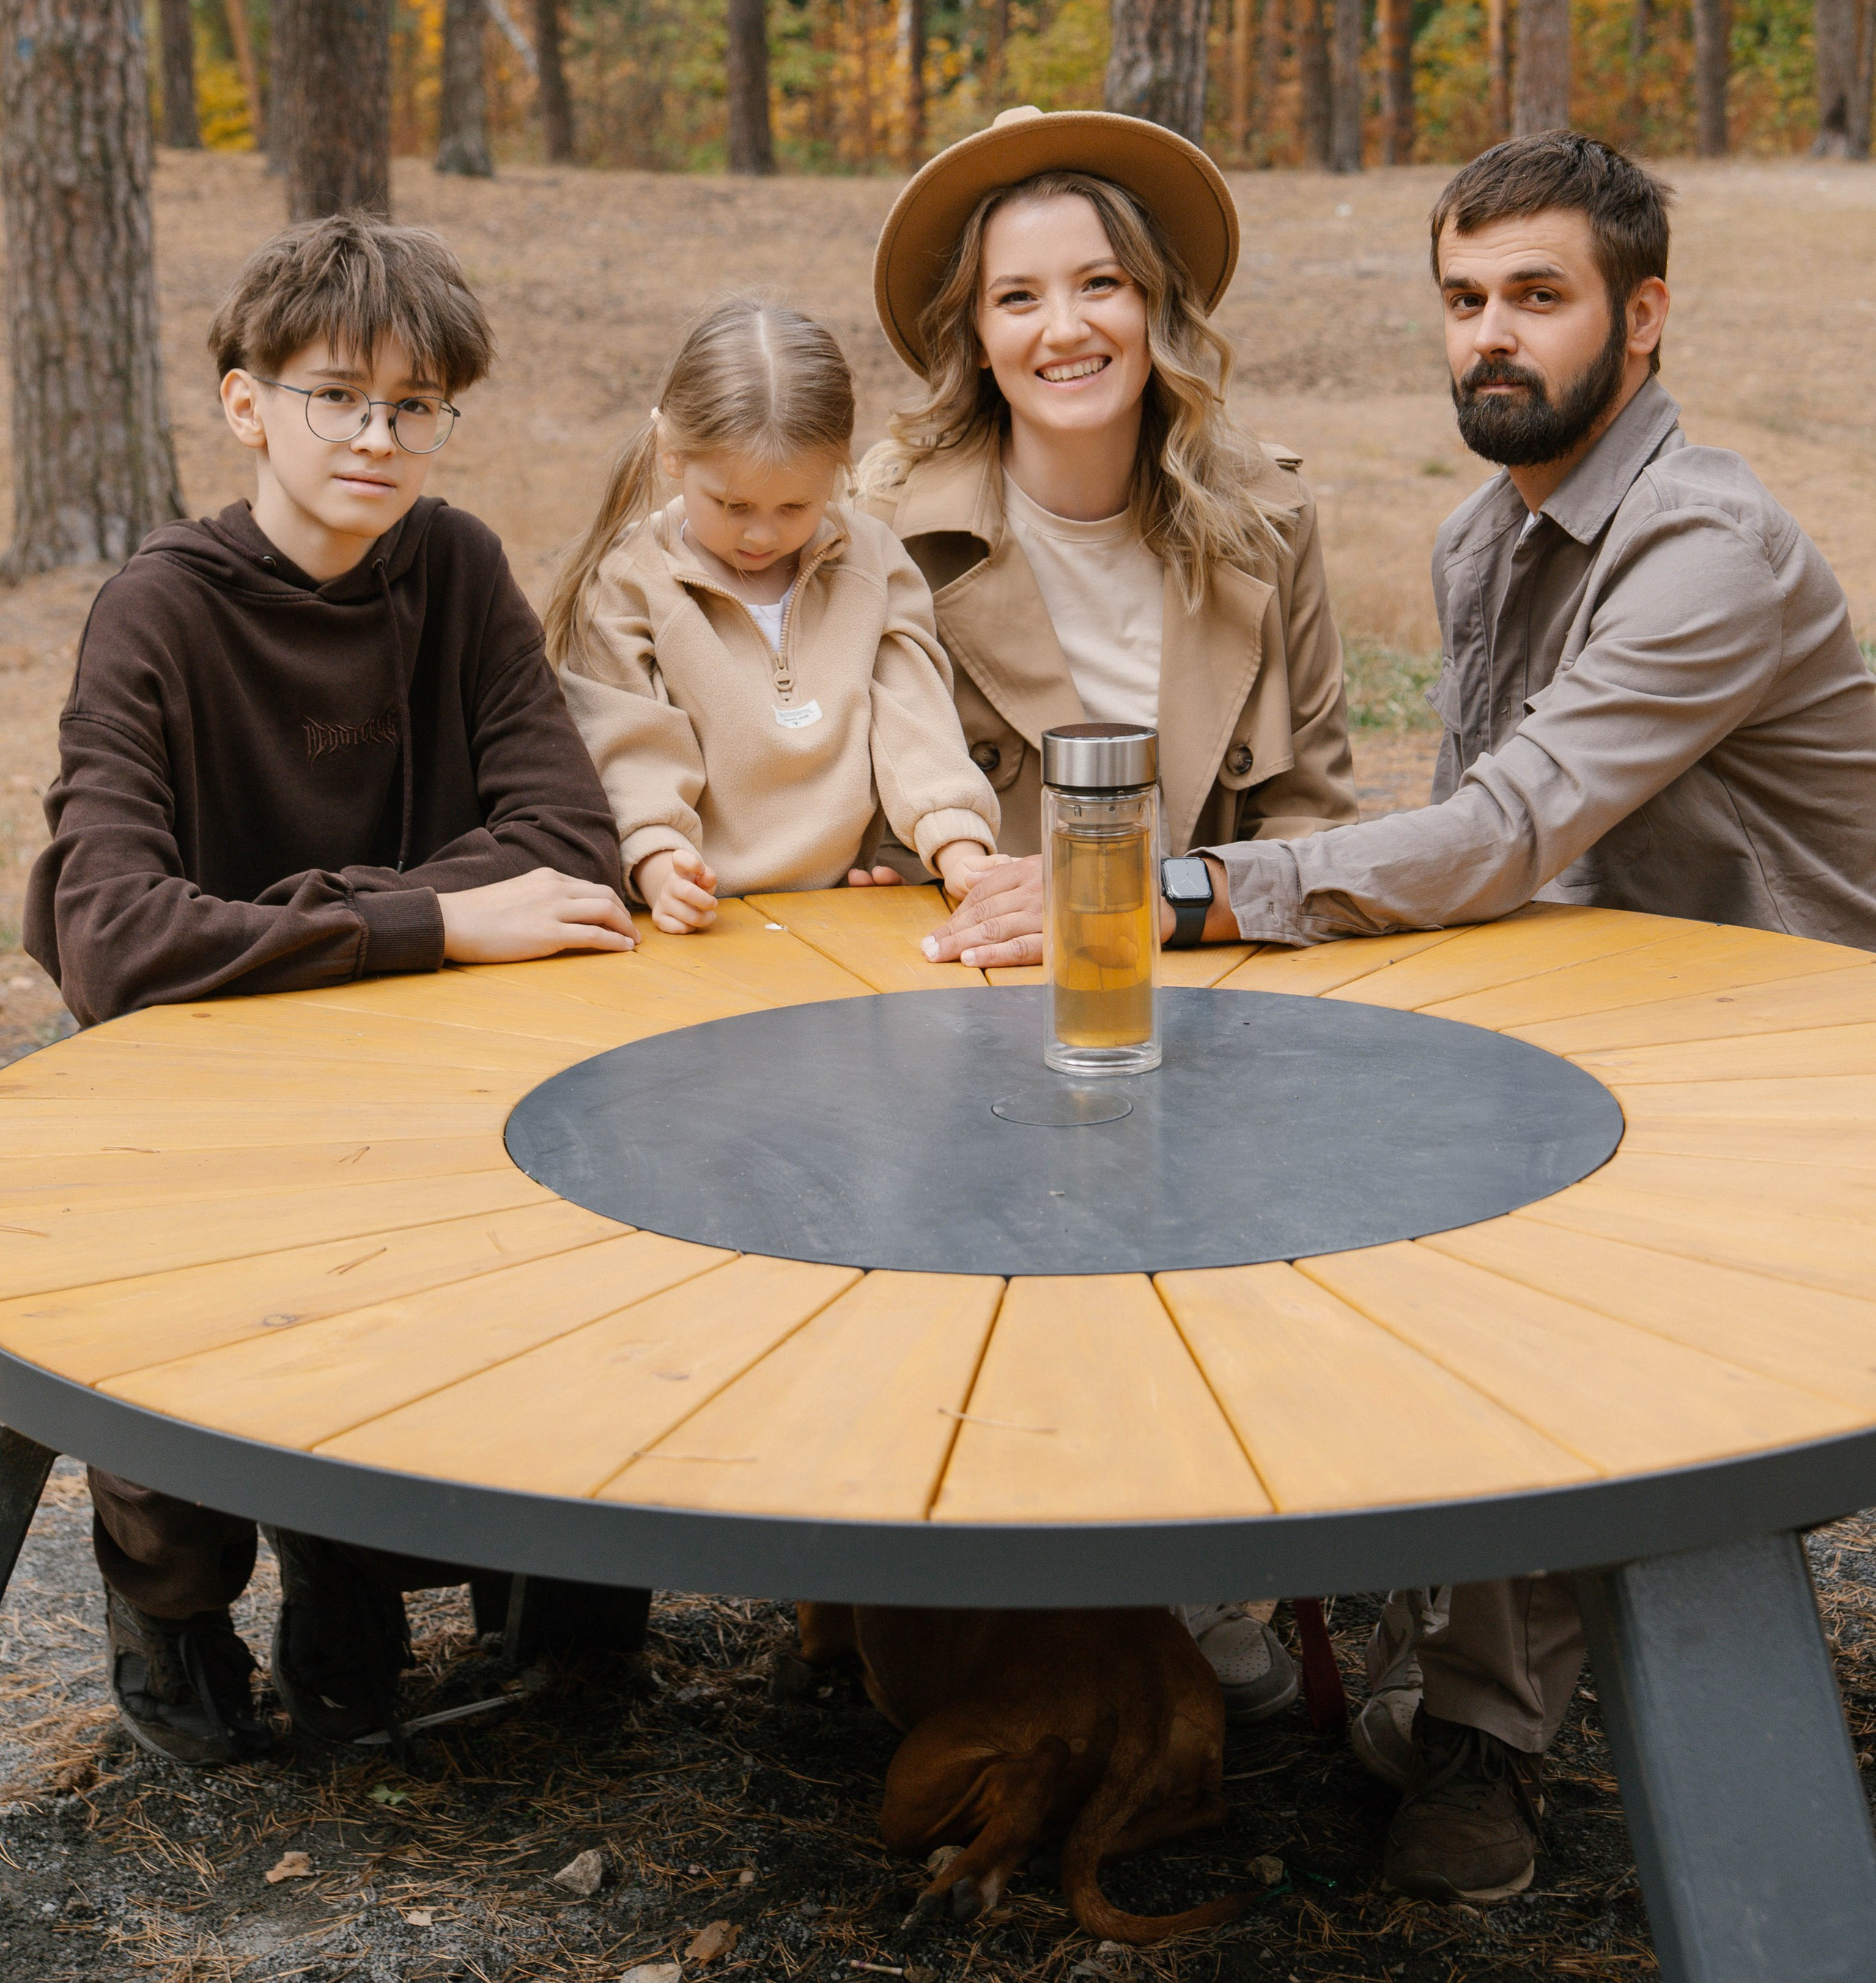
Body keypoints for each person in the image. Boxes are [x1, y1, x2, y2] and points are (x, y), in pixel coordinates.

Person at [1063, 130, 1876, 1905]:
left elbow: (1503, 829)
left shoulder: (1707, 544)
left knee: (1546, 1240)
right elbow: (1478, 863)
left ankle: (1479, 1731)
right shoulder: (1479, 538)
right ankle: (1274, 1596)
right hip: (1628, 1014)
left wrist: (1179, 889)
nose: (1488, 335)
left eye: (1535, 296)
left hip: (1809, 1072)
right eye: (1460, 299)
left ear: (1639, 318)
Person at [26, 215, 639, 1768]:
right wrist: (433, 920)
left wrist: (302, 927)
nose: (378, 438)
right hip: (197, 1092)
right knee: (140, 1290)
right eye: (337, 397)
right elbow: (111, 933)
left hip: (426, 1077)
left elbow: (569, 844)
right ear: (246, 403)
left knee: (585, 1174)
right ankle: (171, 1610)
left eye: (416, 406)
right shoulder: (161, 610)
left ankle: (374, 1571)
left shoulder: (456, 569)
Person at [861, 104, 1357, 1717]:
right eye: (1017, 297)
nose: (1063, 328)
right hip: (971, 1013)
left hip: (1208, 993)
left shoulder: (1268, 518)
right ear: (972, 334)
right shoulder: (885, 523)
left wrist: (1189, 930)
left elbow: (1315, 814)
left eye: (1099, 285)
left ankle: (1219, 1549)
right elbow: (828, 787)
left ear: (1155, 306)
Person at [547, 295, 1001, 931]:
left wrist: (958, 847)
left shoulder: (871, 563)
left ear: (838, 468)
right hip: (700, 918)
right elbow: (627, 745)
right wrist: (658, 861)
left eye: (795, 507)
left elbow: (915, 718)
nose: (762, 535)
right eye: (732, 506)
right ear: (672, 452)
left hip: (843, 910)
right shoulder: (628, 581)